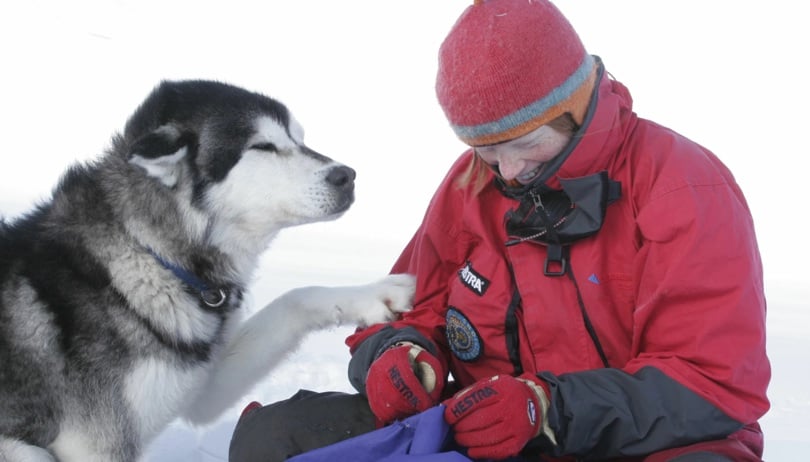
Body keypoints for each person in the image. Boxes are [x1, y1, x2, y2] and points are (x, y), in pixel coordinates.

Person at [229, 0, 770, 460]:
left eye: (525, 143)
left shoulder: (682, 187)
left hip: (653, 446)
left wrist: (547, 408)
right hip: (490, 435)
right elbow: (409, 306)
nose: (506, 171)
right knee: (273, 442)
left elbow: (714, 382)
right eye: (486, 150)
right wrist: (399, 352)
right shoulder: (471, 185)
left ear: (572, 108)